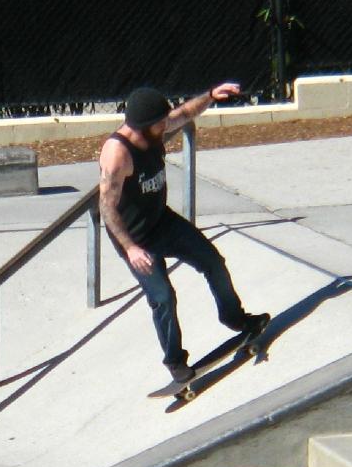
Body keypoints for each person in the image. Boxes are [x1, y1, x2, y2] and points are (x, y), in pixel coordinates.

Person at [99, 83, 269, 389]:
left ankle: (234, 317)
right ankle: (175, 361)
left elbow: (186, 112)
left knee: (212, 260)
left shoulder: (154, 128)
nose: (168, 127)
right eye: (161, 124)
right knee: (163, 297)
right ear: (145, 126)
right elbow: (107, 207)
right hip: (134, 239)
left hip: (161, 221)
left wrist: (210, 96)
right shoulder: (118, 154)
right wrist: (130, 248)